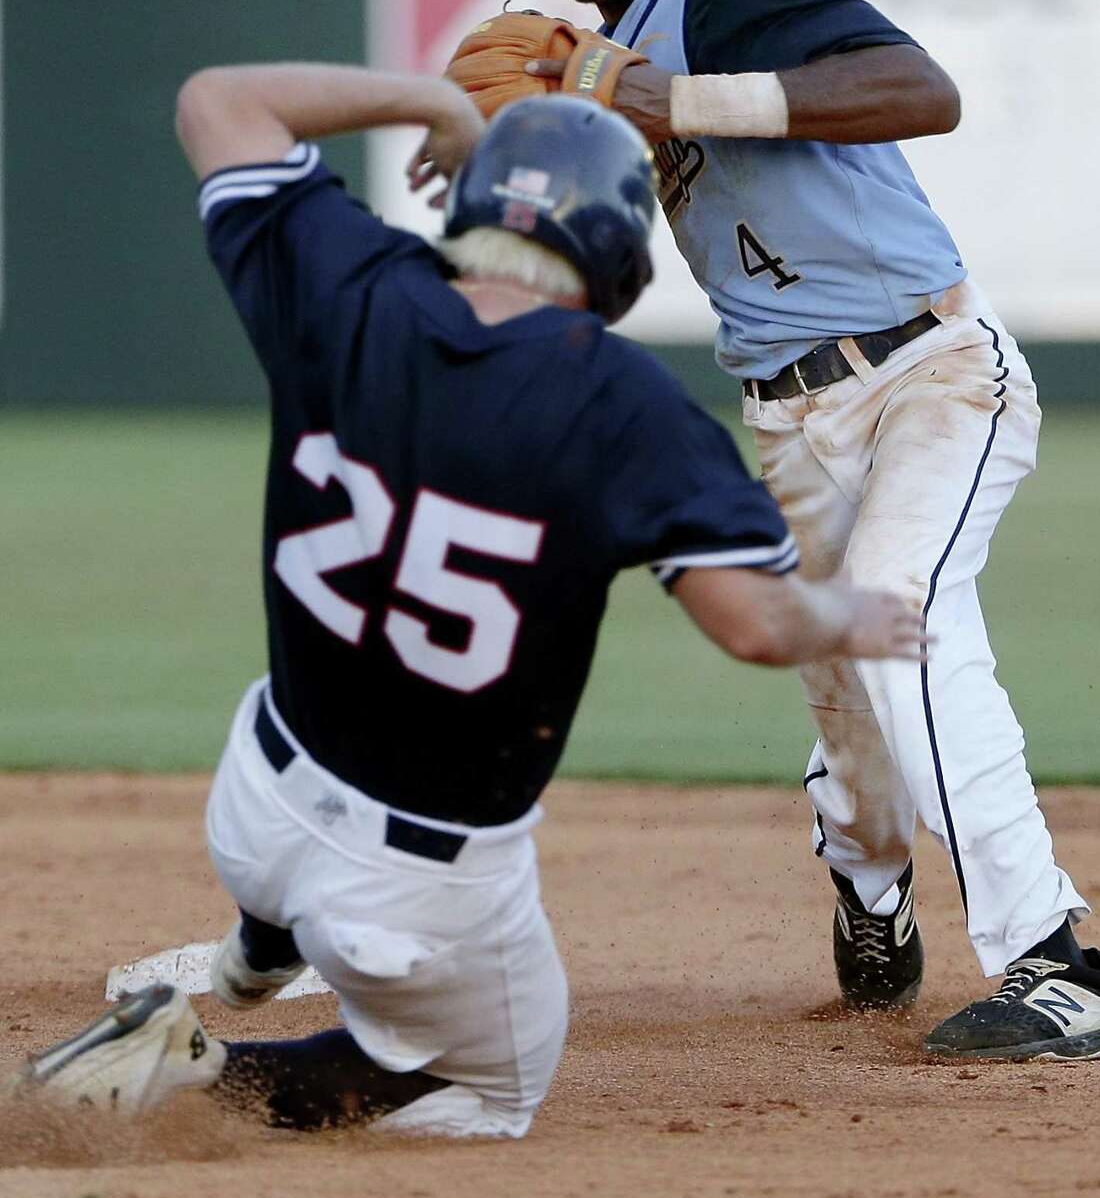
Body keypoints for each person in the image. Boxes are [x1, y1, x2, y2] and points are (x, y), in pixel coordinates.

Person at [8, 69, 928, 1137]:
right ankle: (190, 1073)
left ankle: (263, 937)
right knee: (492, 1092)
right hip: (410, 885)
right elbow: (758, 623)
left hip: (258, 792)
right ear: (619, 253)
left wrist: (433, 104)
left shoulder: (348, 279)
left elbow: (216, 101)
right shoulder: (624, 404)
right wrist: (849, 619)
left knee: (320, 737)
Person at [424, 0, 1100, 1061]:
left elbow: (922, 89)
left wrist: (679, 104)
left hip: (928, 372)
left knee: (906, 617)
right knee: (844, 692)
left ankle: (1059, 961)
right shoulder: (611, 24)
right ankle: (873, 893)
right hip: (787, 418)